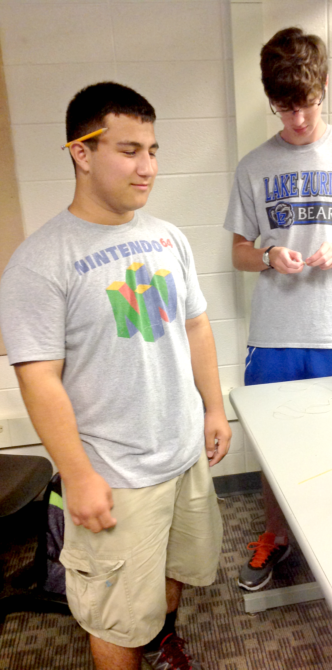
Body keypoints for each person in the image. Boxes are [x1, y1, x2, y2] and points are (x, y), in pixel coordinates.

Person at [0, 82, 231, 670]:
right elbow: (39, 379)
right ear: (82, 152)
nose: (148, 166)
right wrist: (77, 476)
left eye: (153, 150)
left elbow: (197, 328)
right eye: (129, 150)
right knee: (114, 616)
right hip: (117, 474)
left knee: (174, 573)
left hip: (182, 456)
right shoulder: (40, 261)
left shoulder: (167, 237)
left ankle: (163, 643)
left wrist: (212, 409)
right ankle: (139, 644)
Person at [223, 27, 332, 592]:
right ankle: (278, 535)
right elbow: (239, 254)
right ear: (271, 99)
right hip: (274, 334)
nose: (297, 120)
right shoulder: (252, 165)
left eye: (308, 104)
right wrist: (270, 256)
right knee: (275, 447)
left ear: (324, 86)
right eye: (284, 107)